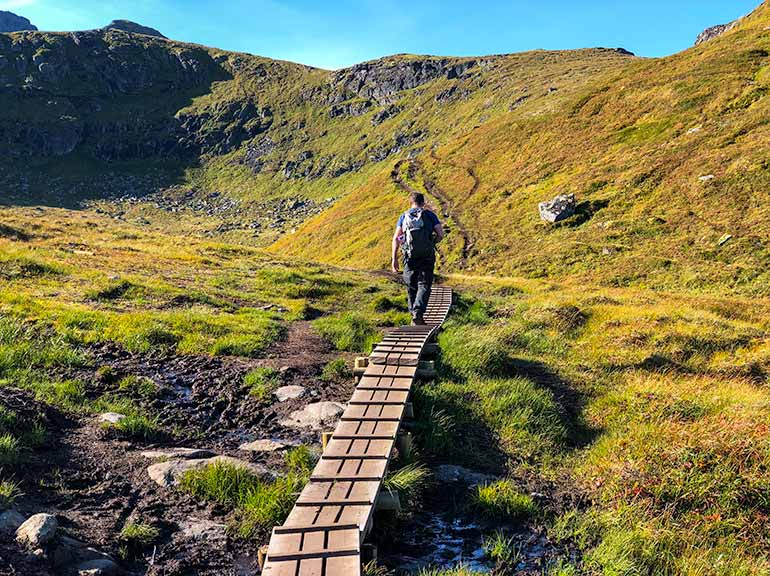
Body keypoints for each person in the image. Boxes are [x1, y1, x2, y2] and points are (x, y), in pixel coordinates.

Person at [391, 192, 445, 325]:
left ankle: (414, 315)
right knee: (424, 284)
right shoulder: (430, 215)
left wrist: (394, 258)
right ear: (423, 202)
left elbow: (396, 238)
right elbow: (440, 234)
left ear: (411, 202)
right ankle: (418, 313)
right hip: (427, 255)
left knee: (411, 285)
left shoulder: (404, 216)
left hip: (409, 256)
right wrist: (432, 242)